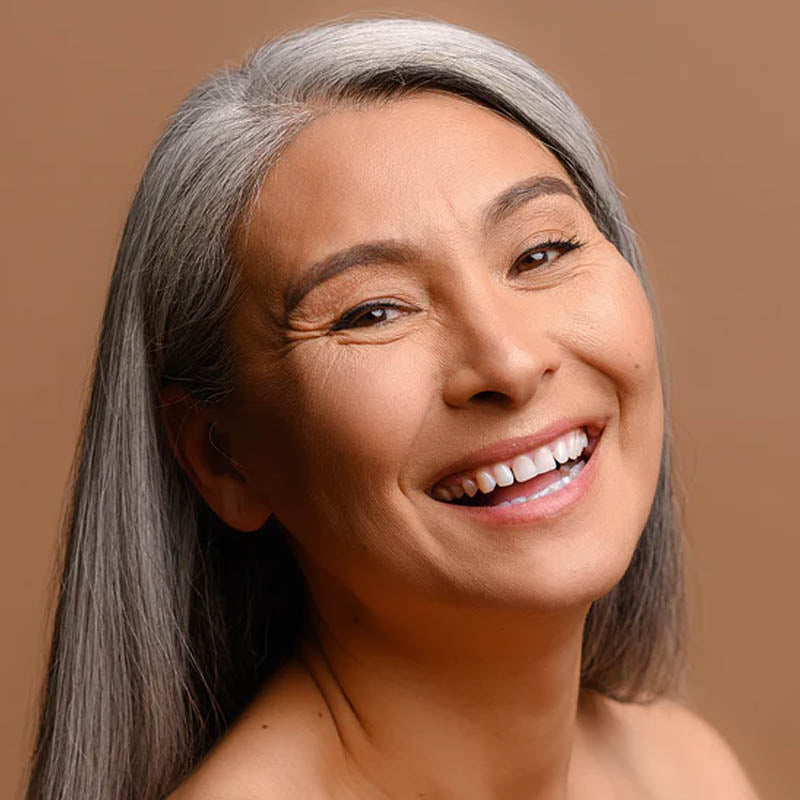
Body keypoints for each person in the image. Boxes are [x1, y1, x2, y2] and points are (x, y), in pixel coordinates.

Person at [25, 15, 760, 800]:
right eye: (372, 311)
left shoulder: (683, 769)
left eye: (541, 251)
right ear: (223, 458)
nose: (509, 362)